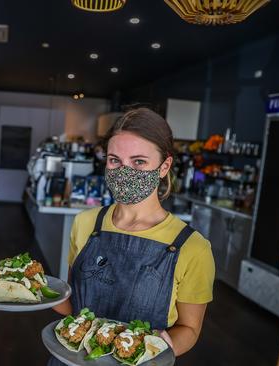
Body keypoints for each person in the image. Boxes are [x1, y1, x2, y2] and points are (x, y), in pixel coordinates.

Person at [51, 108, 215, 363]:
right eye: (115, 160)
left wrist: (163, 347)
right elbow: (75, 307)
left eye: (139, 162)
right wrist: (41, 292)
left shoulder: (193, 247)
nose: (124, 171)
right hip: (72, 360)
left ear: (164, 166)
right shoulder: (85, 223)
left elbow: (190, 329)